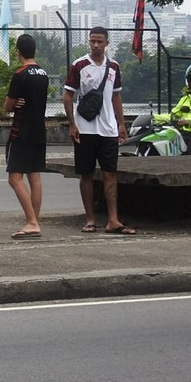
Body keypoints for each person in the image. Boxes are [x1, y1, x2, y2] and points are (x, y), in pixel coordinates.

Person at [63, 26, 136, 235]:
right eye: (92, 41)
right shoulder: (79, 65)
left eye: (99, 41)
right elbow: (68, 96)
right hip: (85, 128)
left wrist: (121, 124)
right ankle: (90, 219)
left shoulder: (114, 66)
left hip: (108, 129)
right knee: (86, 174)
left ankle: (113, 219)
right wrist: (72, 124)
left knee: (110, 173)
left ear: (106, 43)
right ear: (89, 42)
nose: (95, 45)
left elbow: (116, 96)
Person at [3, 34, 49, 239]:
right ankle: (34, 220)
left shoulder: (20, 74)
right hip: (39, 130)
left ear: (18, 52)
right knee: (35, 177)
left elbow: (7, 106)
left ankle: (31, 222)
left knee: (15, 178)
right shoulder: (43, 74)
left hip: (21, 131)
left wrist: (15, 104)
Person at [153, 62, 191, 151]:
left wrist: (188, 121)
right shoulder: (185, 99)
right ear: (188, 82)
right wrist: (153, 118)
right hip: (184, 134)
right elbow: (173, 115)